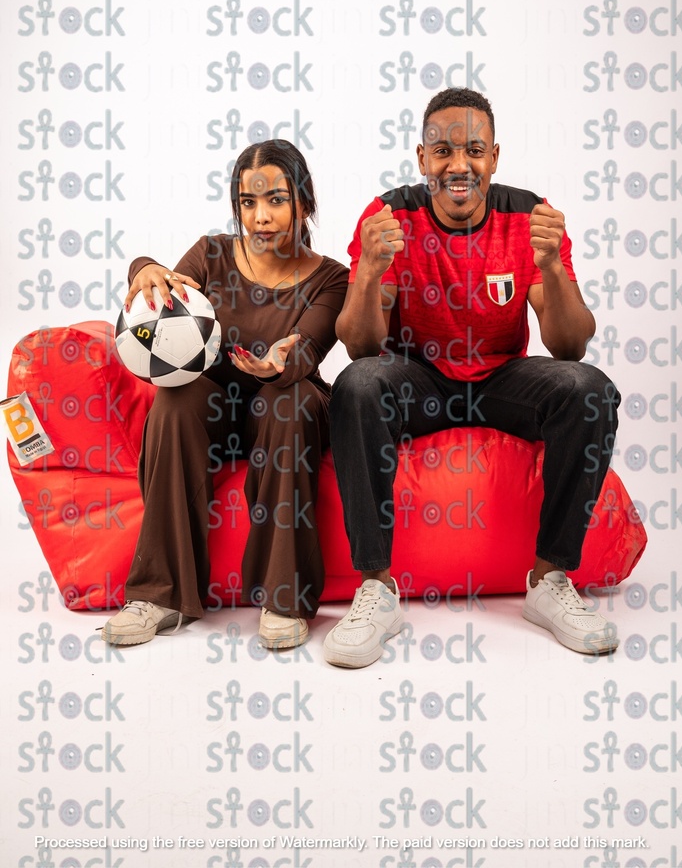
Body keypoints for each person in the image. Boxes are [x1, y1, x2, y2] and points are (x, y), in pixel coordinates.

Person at [323, 87, 620, 668]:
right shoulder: (390, 216)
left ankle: (550, 580)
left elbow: (570, 345)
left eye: (474, 151)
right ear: (421, 158)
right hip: (420, 380)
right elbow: (362, 347)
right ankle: (377, 589)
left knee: (590, 391)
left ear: (495, 158)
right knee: (356, 384)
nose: (459, 165)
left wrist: (553, 266)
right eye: (443, 151)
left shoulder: (526, 214)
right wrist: (369, 275)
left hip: (501, 379)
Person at [102, 140, 348, 648]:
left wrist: (281, 361)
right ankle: (161, 595)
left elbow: (307, 352)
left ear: (305, 203)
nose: (261, 217)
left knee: (291, 401)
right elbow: (166, 298)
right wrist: (142, 267)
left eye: (276, 200)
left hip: (285, 402)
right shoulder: (212, 254)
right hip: (215, 402)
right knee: (174, 401)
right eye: (248, 203)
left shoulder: (331, 279)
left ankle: (286, 598)